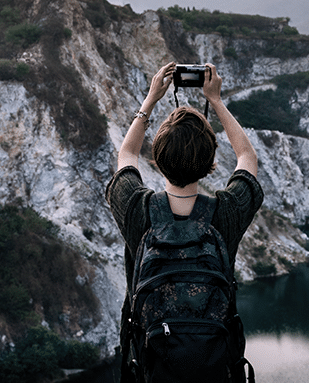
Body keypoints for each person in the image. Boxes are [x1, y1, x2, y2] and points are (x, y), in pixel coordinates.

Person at [105, 61, 263, 381]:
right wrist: (215, 100)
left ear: (157, 160)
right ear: (211, 162)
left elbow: (126, 156)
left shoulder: (138, 210)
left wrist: (150, 100)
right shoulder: (225, 214)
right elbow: (247, 157)